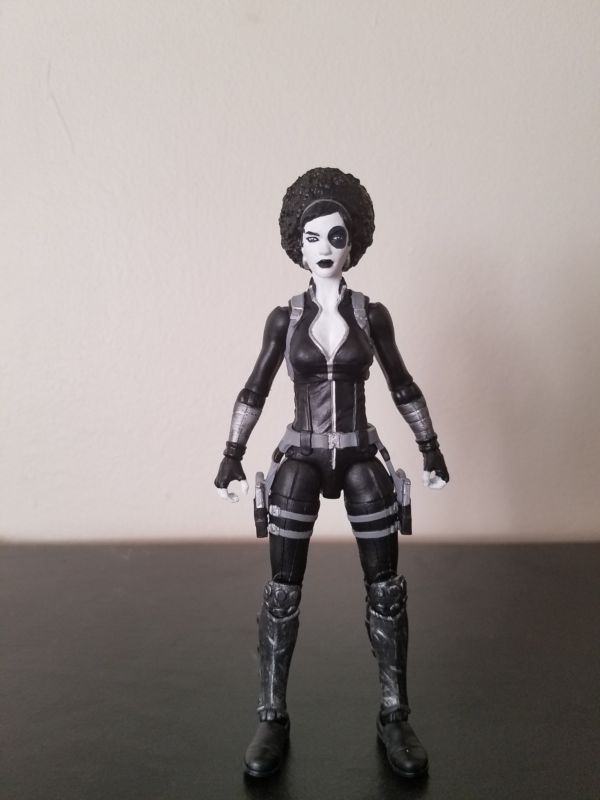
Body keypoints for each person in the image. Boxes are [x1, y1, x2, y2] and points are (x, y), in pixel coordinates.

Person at [214, 167, 449, 779]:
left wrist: (429, 446)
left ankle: (395, 714)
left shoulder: (371, 315)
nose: (324, 248)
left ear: (353, 244)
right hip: (302, 454)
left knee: (386, 586)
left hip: (360, 454)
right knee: (282, 587)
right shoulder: (284, 318)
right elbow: (256, 387)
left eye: (335, 236)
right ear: (297, 244)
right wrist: (232, 453)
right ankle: (271, 715)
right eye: (312, 237)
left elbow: (401, 384)